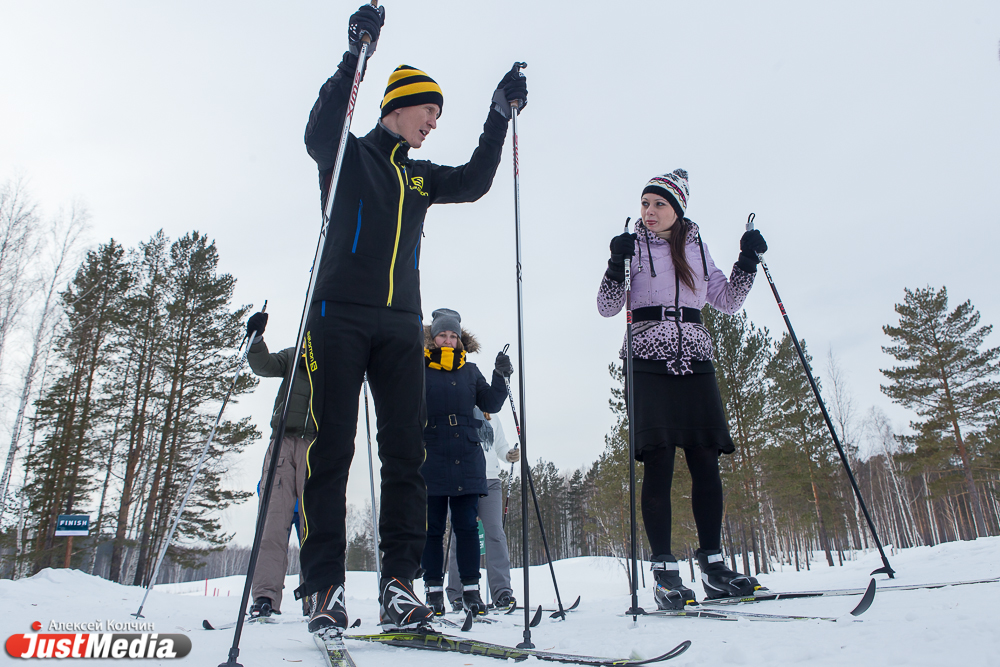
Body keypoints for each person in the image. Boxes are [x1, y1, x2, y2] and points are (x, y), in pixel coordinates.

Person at [297, 4, 528, 637]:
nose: (434, 122)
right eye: (430, 109)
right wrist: (357, 54)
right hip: (337, 316)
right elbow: (319, 130)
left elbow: (479, 180)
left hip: (402, 326)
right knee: (333, 449)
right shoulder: (348, 158)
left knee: (406, 456)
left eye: (441, 115)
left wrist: (497, 112)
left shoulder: (420, 179)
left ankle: (398, 585)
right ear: (397, 104)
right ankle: (324, 587)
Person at [596, 169, 770, 609]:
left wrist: (746, 261)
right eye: (645, 204)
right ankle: (664, 571)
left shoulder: (697, 248)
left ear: (678, 210)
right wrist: (615, 264)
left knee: (706, 461)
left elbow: (727, 301)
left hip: (695, 358)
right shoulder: (631, 247)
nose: (649, 212)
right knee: (659, 463)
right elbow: (607, 306)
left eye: (659, 205)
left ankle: (713, 566)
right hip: (646, 359)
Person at [419, 308, 511, 616]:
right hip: (431, 455)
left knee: (467, 528)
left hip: (465, 457)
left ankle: (472, 591)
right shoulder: (419, 369)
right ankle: (433, 592)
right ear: (433, 338)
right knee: (432, 530)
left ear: (460, 341)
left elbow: (491, 403)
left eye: (453, 336)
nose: (448, 340)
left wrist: (499, 377)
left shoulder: (470, 372)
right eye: (442, 335)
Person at [244, 311, 313, 619]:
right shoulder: (293, 355)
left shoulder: (340, 357)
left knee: (317, 526)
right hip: (283, 443)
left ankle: (318, 593)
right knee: (274, 522)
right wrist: (256, 339)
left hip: (317, 447)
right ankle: (265, 597)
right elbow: (264, 365)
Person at [445, 407, 519, 611]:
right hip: (463, 480)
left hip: (490, 481)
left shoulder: (490, 414)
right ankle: (458, 593)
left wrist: (509, 455)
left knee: (495, 532)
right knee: (461, 534)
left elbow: (500, 446)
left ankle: (502, 592)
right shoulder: (455, 411)